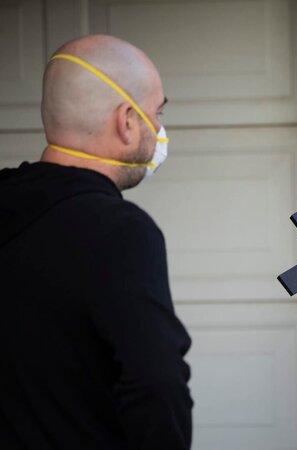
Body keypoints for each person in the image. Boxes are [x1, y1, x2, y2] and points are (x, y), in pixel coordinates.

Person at [0, 35, 192, 449]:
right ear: (127, 120)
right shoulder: (118, 230)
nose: (159, 129)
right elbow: (157, 383)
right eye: (156, 113)